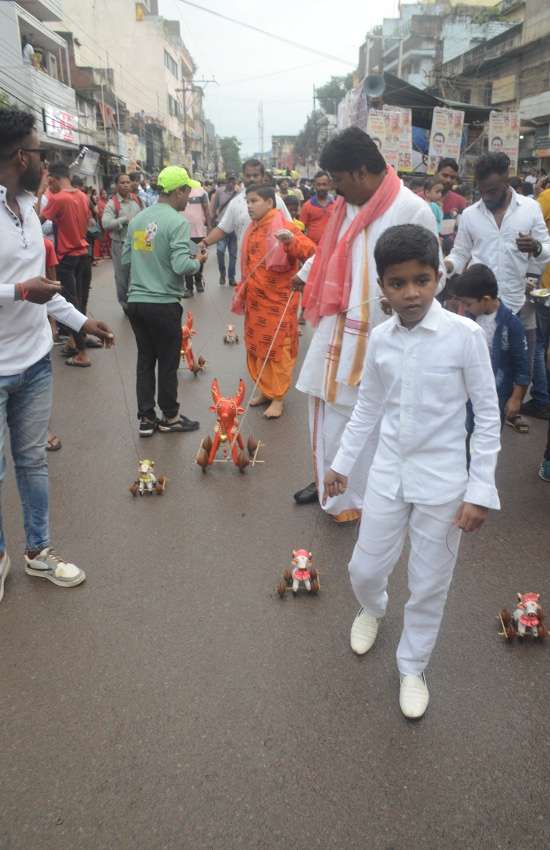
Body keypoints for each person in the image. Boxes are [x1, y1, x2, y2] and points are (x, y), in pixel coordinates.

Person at [323, 224, 501, 719]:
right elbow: (367, 408)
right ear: (381, 286)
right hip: (387, 475)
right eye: (397, 284)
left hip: (445, 483)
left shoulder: (464, 337)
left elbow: (487, 418)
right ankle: (374, 607)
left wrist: (480, 489)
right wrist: (341, 464)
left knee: (429, 582)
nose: (411, 293)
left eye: (421, 280)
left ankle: (413, 665)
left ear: (439, 276)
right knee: (364, 566)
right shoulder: (380, 340)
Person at [293, 127, 439, 520]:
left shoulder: (411, 209)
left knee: (377, 419)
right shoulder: (349, 206)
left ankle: (364, 495)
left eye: (338, 180)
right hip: (339, 325)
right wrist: (306, 275)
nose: (335, 190)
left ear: (359, 172)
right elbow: (333, 251)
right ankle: (334, 487)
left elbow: (427, 276)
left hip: (385, 330)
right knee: (330, 412)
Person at [0, 107, 114, 599]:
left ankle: (39, 553)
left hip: (35, 361)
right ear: (20, 155)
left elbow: (43, 285)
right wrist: (17, 292)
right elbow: (25, 288)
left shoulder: (29, 206)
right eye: (41, 153)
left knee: (32, 464)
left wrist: (81, 321)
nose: (47, 164)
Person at [445, 152, 550, 386]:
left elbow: (547, 249)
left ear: (506, 181)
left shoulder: (531, 208)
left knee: (521, 369)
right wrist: (447, 266)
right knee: (479, 371)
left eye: (492, 191)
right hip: (479, 307)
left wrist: (535, 246)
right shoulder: (471, 215)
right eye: (481, 191)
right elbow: (460, 253)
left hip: (519, 304)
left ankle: (509, 410)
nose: (486, 197)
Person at [122, 166, 206, 437]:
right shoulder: (177, 222)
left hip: (136, 302)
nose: (188, 199)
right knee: (168, 362)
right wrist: (198, 261)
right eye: (188, 193)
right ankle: (170, 417)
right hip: (162, 303)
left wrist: (149, 260)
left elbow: (126, 259)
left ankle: (146, 419)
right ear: (178, 191)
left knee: (145, 360)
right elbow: (182, 265)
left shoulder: (138, 220)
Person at [240, 185, 315, 419]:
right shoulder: (253, 228)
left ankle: (279, 398)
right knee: (257, 347)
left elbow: (312, 252)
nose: (249, 206)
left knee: (278, 350)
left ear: (270, 203)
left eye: (254, 201)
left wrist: (291, 240)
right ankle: (266, 390)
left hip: (278, 301)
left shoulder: (284, 226)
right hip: (255, 301)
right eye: (247, 201)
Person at [453, 264, 529, 426]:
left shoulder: (512, 325)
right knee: (463, 433)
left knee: (487, 431)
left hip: (496, 394)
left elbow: (521, 365)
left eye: (467, 304)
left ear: (486, 300)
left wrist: (516, 398)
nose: (464, 308)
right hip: (467, 390)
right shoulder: (468, 319)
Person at [41, 162, 93, 367]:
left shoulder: (57, 198)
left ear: (53, 179)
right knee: (80, 301)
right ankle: (75, 340)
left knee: (71, 304)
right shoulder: (82, 196)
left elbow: (37, 220)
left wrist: (38, 192)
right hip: (83, 254)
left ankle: (82, 353)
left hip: (66, 257)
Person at [201, 159, 291, 272]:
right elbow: (222, 229)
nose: (251, 179)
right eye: (248, 176)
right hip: (248, 267)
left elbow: (290, 228)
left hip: (274, 267)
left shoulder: (275, 200)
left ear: (263, 177)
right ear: (243, 177)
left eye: (255, 175)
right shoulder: (236, 203)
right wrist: (204, 243)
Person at [521, 176, 550, 420]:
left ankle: (541, 397)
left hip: (545, 283)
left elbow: (537, 243)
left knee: (538, 343)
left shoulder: (545, 199)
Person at [102, 173, 142, 311]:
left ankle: (135, 302)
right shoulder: (112, 203)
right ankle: (125, 304)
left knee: (137, 274)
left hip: (138, 243)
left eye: (127, 182)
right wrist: (124, 220)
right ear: (116, 185)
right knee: (122, 277)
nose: (125, 185)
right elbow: (106, 223)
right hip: (120, 244)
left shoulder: (136, 200)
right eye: (122, 182)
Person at [209, 173, 239, 285]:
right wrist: (211, 220)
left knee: (233, 254)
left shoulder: (239, 193)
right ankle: (222, 274)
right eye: (229, 180)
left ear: (236, 182)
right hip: (221, 227)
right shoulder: (219, 192)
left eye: (233, 181)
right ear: (226, 180)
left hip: (234, 228)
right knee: (220, 252)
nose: (231, 183)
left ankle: (231, 277)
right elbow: (213, 207)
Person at [182, 182, 210, 296]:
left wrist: (210, 226)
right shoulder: (178, 193)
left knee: (199, 258)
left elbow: (207, 210)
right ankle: (189, 288)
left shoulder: (201, 191)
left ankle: (198, 280)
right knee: (188, 259)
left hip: (199, 232)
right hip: (184, 233)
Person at [299, 171, 336, 244]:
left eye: (324, 184)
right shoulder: (307, 206)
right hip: (313, 248)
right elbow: (301, 230)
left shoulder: (336, 204)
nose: (321, 187)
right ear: (314, 186)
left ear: (329, 185)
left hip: (332, 247)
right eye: (318, 185)